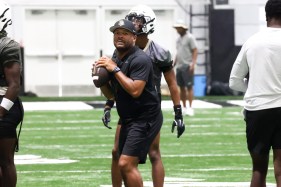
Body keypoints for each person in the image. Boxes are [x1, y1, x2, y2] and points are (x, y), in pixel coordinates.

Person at [101, 5, 185, 187]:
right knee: (116, 152)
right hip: (128, 106)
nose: (134, 24)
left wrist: (178, 111)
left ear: (148, 24)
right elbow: (117, 81)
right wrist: (109, 104)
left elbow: (172, 83)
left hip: (148, 108)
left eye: (139, 20)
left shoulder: (158, 52)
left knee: (154, 153)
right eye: (132, 19)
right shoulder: (121, 49)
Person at [95, 18, 164, 187]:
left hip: (146, 118)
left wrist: (114, 69)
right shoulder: (116, 58)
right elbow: (111, 95)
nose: (119, 36)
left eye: (124, 33)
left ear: (134, 37)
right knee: (117, 156)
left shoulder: (140, 59)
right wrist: (100, 80)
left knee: (126, 163)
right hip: (128, 117)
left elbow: (135, 90)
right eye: (116, 33)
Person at [229, 0, 281, 186]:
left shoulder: (252, 42)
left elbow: (234, 81)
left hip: (258, 110)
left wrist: (255, 87)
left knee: (258, 170)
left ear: (266, 16)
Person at [0, 1, 24, 186]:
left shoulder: (7, 45)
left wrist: (0, 112)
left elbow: (14, 85)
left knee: (5, 160)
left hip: (4, 104)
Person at [173, 20, 198, 116]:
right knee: (181, 87)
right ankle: (183, 107)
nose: (177, 29)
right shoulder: (178, 39)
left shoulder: (190, 38)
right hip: (179, 66)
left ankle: (190, 108)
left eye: (178, 28)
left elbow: (195, 50)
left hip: (187, 66)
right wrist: (174, 63)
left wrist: (193, 64)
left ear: (183, 28)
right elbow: (178, 52)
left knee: (189, 87)